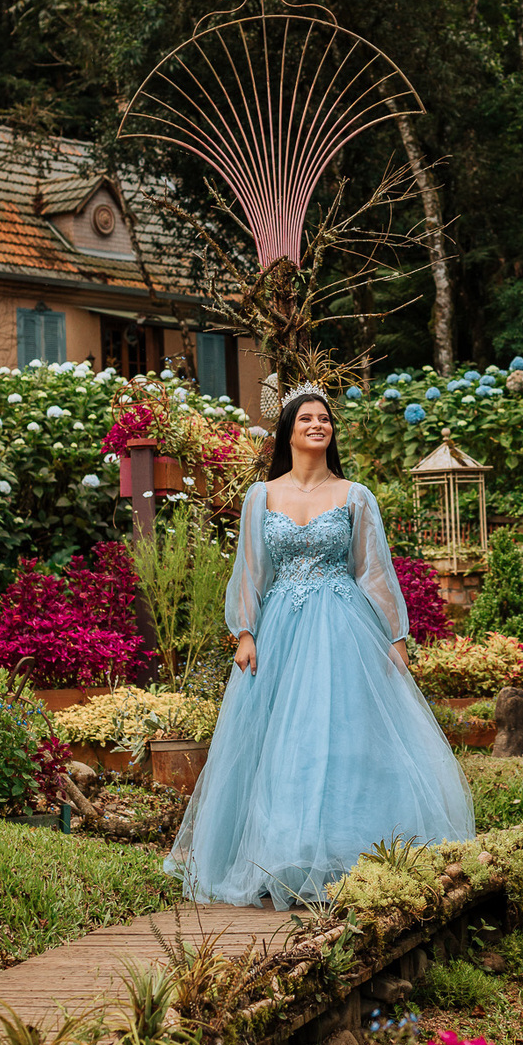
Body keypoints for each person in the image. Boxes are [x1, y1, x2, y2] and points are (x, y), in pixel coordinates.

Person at [164, 381, 476, 909]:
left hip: (343, 629)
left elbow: (374, 569)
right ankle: (279, 858)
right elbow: (250, 571)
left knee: (343, 738)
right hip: (281, 629)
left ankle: (348, 855)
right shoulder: (261, 496)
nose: (317, 425)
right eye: (306, 418)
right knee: (281, 743)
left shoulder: (355, 495)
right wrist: (245, 631)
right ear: (289, 431)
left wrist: (395, 637)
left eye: (324, 419)